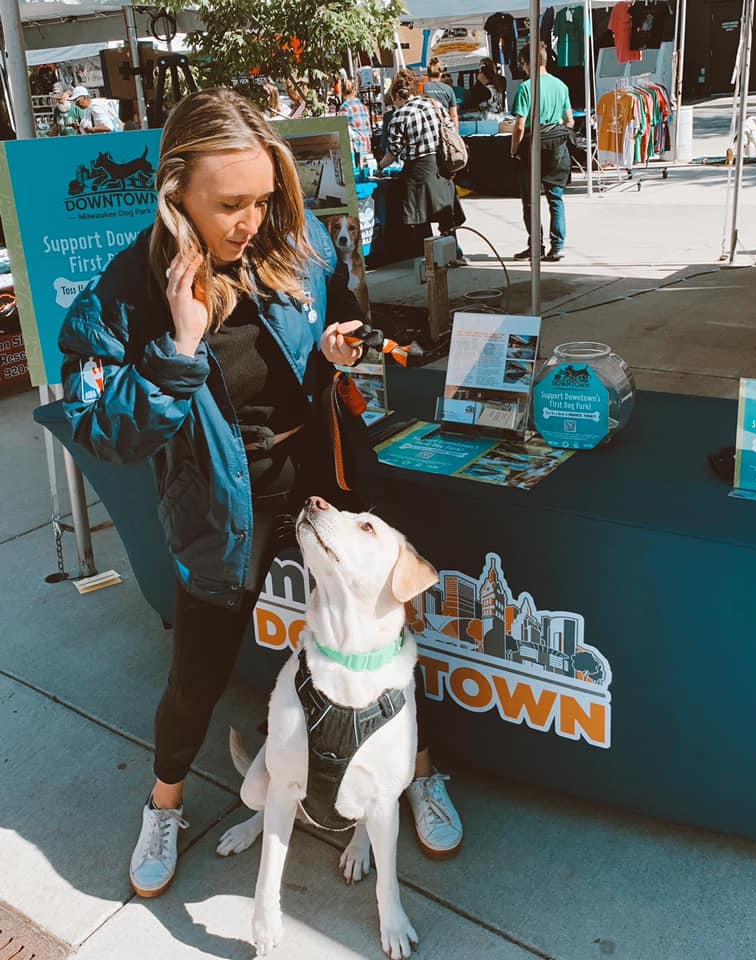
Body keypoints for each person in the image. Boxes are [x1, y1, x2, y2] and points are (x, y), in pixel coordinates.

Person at [58, 87, 462, 899]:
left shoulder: (298, 238)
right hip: (218, 502)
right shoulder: (126, 291)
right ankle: (164, 803)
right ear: (176, 194)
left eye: (265, 196)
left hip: (325, 478)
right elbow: (102, 432)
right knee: (198, 669)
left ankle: (416, 769)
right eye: (230, 204)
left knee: (394, 632)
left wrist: (342, 348)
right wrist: (177, 345)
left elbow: (337, 322)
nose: (252, 220)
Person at [377, 79, 467, 267]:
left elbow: (393, 152)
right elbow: (451, 130)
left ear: (398, 96)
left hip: (417, 171)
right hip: (442, 167)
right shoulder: (434, 105)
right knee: (446, 216)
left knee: (419, 218)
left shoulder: (400, 115)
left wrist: (379, 167)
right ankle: (454, 254)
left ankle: (429, 259)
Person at [509, 41, 573, 262]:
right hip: (557, 148)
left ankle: (535, 245)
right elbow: (570, 120)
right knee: (556, 199)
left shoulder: (526, 88)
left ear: (526, 63)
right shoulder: (561, 86)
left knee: (530, 201)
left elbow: (519, 125)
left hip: (533, 147)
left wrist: (514, 149)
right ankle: (558, 246)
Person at [337, 78, 372, 159]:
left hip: (355, 148)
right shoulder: (364, 107)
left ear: (342, 92)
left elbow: (342, 130)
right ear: (354, 91)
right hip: (366, 145)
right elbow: (369, 131)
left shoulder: (344, 107)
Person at [423, 57, 459, 131]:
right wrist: (456, 135)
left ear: (428, 73)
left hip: (427, 126)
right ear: (441, 73)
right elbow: (453, 115)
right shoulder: (448, 89)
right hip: (444, 128)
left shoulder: (422, 87)